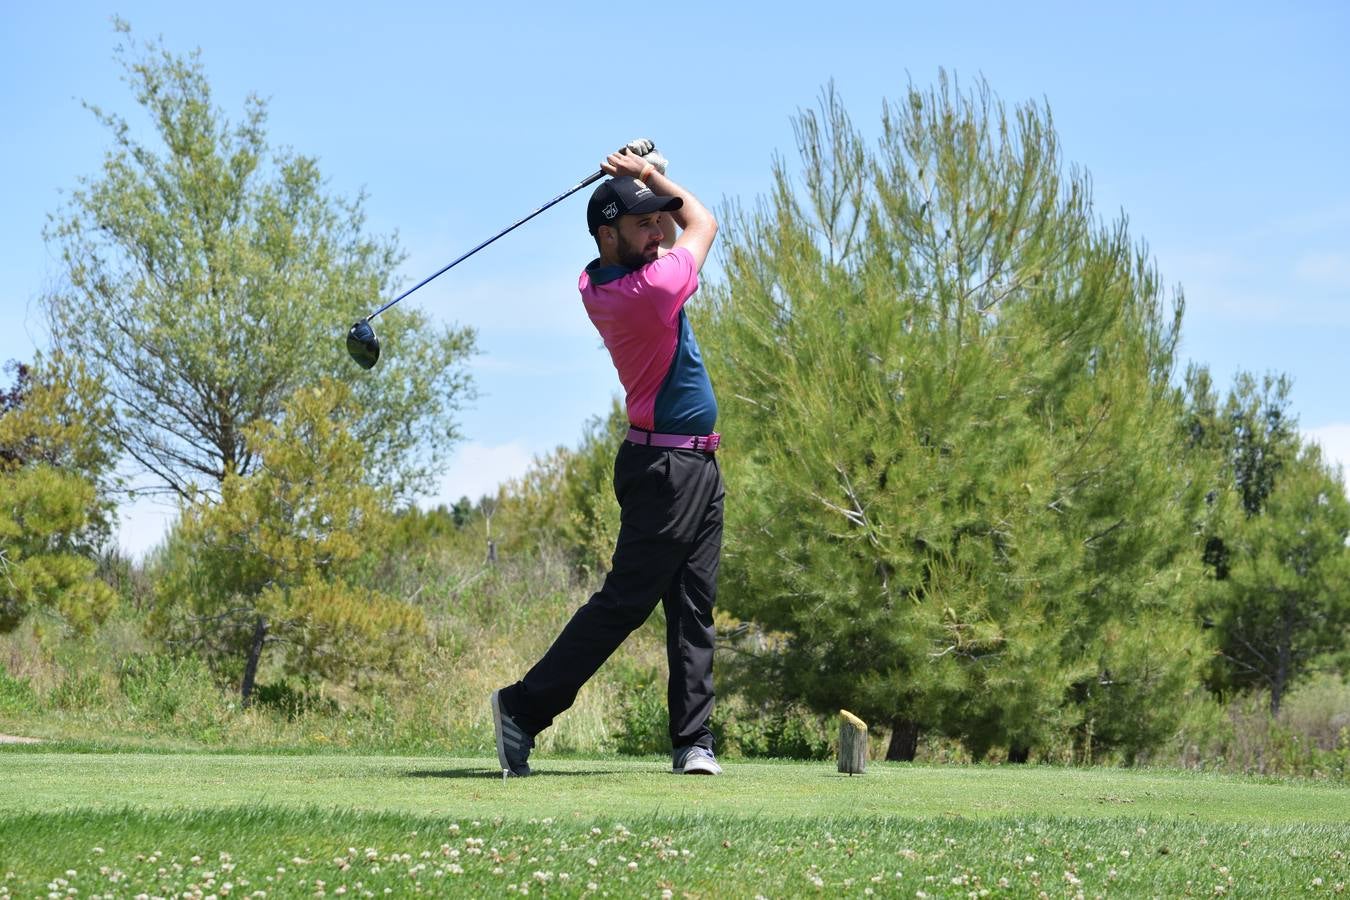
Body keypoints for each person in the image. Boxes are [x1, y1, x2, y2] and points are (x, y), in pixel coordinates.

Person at [492, 140, 723, 777]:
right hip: (667, 473)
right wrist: (646, 174)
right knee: (624, 604)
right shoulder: (649, 290)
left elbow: (667, 220)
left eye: (656, 223)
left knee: (694, 608)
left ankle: (693, 743)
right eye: (641, 224)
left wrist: (641, 185)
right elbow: (703, 222)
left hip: (696, 463)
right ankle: (521, 708)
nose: (656, 233)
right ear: (605, 233)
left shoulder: (601, 279)